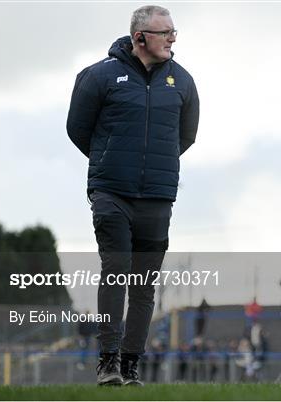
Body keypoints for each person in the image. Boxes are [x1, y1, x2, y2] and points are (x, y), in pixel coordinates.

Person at [67, 5, 199, 386]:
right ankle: (107, 363)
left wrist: (154, 166)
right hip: (111, 193)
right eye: (165, 32)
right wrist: (112, 160)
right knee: (115, 273)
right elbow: (78, 128)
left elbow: (185, 136)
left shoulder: (184, 81)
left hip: (157, 196)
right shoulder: (99, 76)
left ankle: (129, 366)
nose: (173, 38)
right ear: (140, 38)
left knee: (144, 286)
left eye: (174, 31)